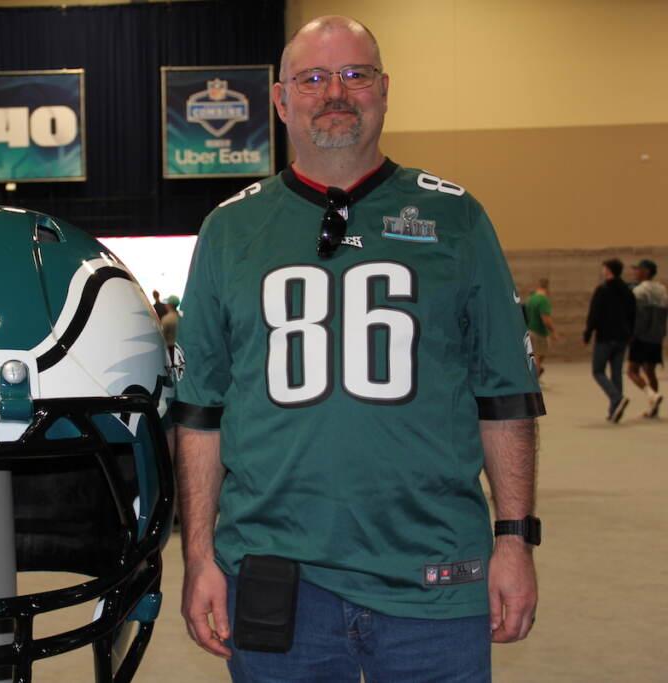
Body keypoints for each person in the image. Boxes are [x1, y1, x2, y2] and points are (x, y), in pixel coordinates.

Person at [172, 16, 544, 683]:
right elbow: (201, 414)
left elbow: (504, 395)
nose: (335, 92)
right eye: (312, 78)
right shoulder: (230, 230)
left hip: (433, 573)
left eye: (355, 74)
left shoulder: (457, 218)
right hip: (275, 571)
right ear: (282, 101)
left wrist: (515, 538)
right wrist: (198, 556)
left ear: (384, 90)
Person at [583, 258, 636, 422]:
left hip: (605, 337)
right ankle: (615, 410)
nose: (602, 271)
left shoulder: (602, 290)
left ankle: (616, 398)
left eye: (604, 268)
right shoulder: (628, 291)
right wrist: (630, 334)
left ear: (608, 271)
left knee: (598, 370)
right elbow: (633, 314)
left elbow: (594, 314)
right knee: (616, 372)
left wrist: (588, 333)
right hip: (622, 337)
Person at [626, 259, 666, 417]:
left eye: (638, 269)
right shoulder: (662, 289)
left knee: (631, 371)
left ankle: (652, 395)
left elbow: (636, 316)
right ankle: (654, 409)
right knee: (650, 371)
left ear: (647, 272)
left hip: (641, 336)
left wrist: (631, 334)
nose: (635, 272)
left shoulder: (639, 291)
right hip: (656, 337)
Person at [524, 278, 558, 378]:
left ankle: (534, 374)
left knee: (536, 356)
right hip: (539, 332)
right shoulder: (543, 300)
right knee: (538, 358)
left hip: (530, 330)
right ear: (547, 287)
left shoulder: (531, 298)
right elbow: (546, 319)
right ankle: (534, 380)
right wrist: (554, 331)